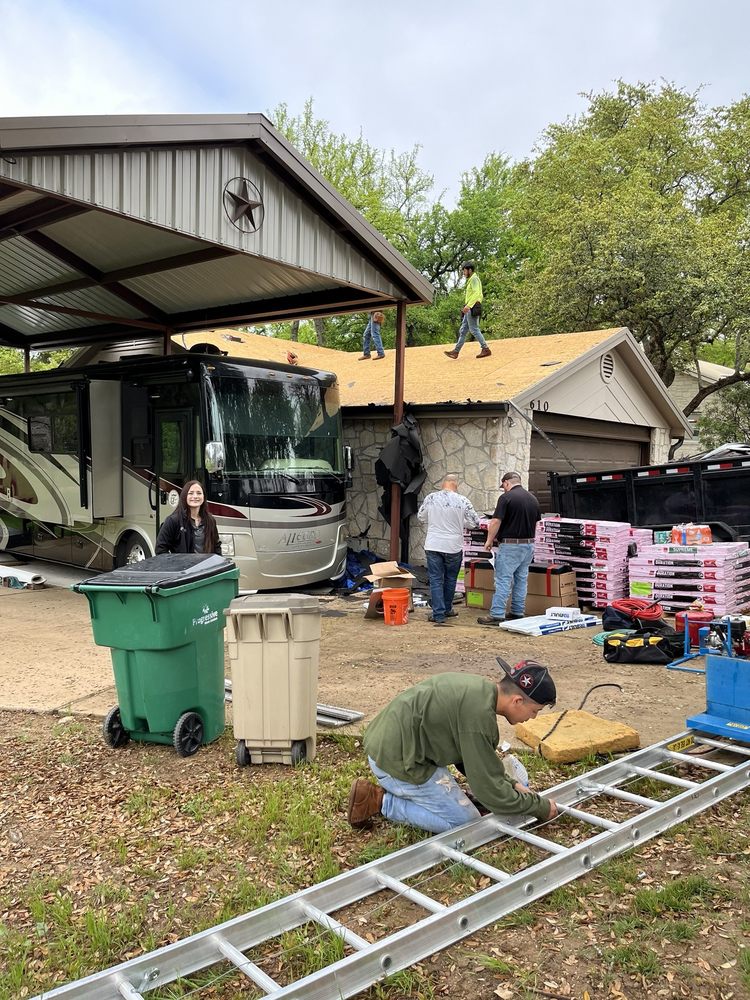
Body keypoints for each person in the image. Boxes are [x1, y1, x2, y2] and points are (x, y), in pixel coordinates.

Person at [346, 658, 558, 833]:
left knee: (467, 807)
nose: (533, 718)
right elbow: (490, 792)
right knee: (465, 824)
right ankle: (379, 801)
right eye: (534, 711)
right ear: (517, 701)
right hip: (399, 762)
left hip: (397, 746)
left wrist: (511, 784)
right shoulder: (479, 718)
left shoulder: (479, 691)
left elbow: (475, 759)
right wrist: (540, 807)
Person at [477, 471, 541, 626]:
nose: (503, 489)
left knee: (503, 579)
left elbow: (495, 521)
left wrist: (489, 540)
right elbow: (536, 522)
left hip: (511, 545)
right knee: (521, 579)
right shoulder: (533, 499)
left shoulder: (506, 498)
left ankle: (497, 614)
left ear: (506, 483)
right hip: (528, 545)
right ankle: (517, 611)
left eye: (503, 486)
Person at [417, 473, 479, 626]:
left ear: (442, 484)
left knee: (436, 580)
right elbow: (475, 522)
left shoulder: (431, 498)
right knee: (451, 579)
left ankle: (438, 614)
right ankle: (447, 609)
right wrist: (461, 522)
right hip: (453, 546)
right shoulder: (463, 500)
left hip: (433, 545)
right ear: (456, 485)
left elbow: (421, 517)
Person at [155, 480, 222, 555]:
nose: (195, 496)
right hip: (184, 566)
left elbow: (216, 547)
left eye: (199, 493)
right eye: (191, 493)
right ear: (184, 496)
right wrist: (175, 564)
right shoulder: (173, 520)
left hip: (207, 566)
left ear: (204, 497)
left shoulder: (210, 520)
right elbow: (160, 549)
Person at [444, 262, 492, 360]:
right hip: (469, 307)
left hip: (472, 307)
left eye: (465, 271)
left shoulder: (474, 279)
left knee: (474, 329)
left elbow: (477, 293)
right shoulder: (471, 280)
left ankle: (485, 348)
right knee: (463, 330)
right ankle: (456, 352)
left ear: (470, 270)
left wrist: (469, 306)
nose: (464, 273)